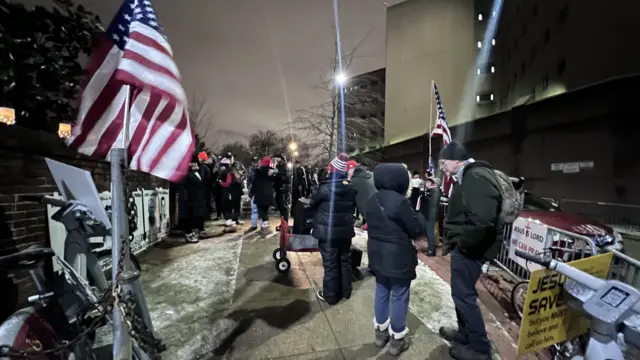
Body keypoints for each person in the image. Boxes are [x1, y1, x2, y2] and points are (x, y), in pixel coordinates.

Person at [438, 141, 502, 360]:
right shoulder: (469, 176)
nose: (443, 167)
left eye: (444, 162)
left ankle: (480, 348)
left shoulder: (475, 177)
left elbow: (482, 219)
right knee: (460, 294)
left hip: (471, 250)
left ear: (457, 160)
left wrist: (463, 244)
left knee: (464, 296)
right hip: (468, 247)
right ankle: (465, 333)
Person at [365, 163, 429, 356]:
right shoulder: (400, 202)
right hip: (398, 256)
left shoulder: (371, 200)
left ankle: (380, 334)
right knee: (399, 295)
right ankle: (397, 340)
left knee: (382, 291)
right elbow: (416, 229)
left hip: (377, 254)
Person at [310, 153, 356, 305]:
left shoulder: (325, 188)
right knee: (345, 261)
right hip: (345, 232)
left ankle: (330, 295)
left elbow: (312, 203)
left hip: (328, 232)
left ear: (332, 170)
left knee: (330, 264)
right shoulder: (350, 188)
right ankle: (346, 291)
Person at [180, 155, 211, 242]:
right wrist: (186, 199)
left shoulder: (200, 172)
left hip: (199, 198)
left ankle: (201, 230)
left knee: (200, 215)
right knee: (190, 217)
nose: (194, 165)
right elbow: (183, 187)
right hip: (191, 199)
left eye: (195, 163)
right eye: (192, 163)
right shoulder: (186, 175)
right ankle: (188, 234)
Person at [250, 156, 277, 235]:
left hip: (260, 194)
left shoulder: (258, 172)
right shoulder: (271, 172)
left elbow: (254, 183)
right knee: (264, 210)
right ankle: (265, 227)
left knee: (260, 210)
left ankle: (265, 225)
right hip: (268, 194)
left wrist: (251, 192)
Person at [347, 160, 376, 231]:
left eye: (347, 172)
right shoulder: (372, 175)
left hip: (369, 215)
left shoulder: (353, 182)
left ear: (352, 169)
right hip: (380, 210)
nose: (347, 174)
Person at [416, 171, 438, 256]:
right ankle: (430, 248)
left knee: (430, 233)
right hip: (427, 214)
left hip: (430, 215)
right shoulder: (429, 190)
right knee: (427, 233)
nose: (426, 183)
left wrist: (423, 194)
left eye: (428, 182)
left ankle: (431, 250)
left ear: (432, 183)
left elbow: (431, 202)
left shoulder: (435, 190)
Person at [246, 157, 260, 232]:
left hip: (260, 192)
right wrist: (250, 189)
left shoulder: (261, 169)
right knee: (254, 209)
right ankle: (254, 225)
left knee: (261, 210)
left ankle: (263, 226)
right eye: (254, 162)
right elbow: (248, 181)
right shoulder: (250, 170)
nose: (255, 163)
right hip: (254, 191)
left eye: (256, 162)